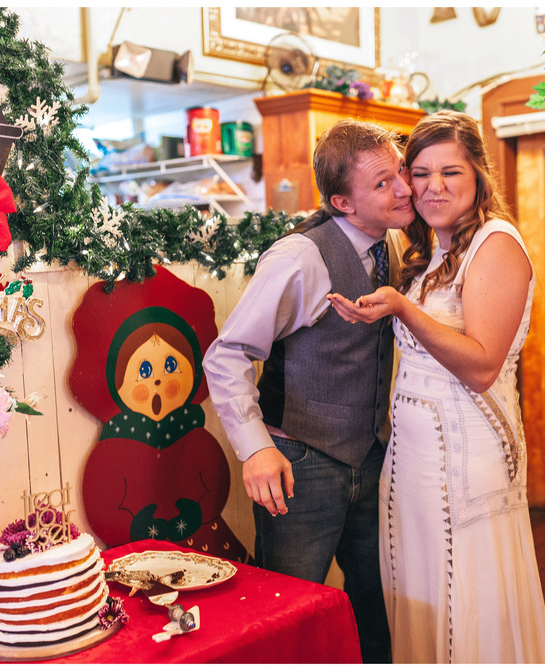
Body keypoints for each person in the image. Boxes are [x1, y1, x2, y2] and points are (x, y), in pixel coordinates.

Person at [327, 110, 545, 664]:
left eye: (450, 172)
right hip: (414, 462)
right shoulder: (430, 252)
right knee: (424, 596)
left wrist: (401, 307)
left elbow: (480, 366)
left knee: (467, 599)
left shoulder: (496, 244)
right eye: (419, 172)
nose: (431, 187)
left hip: (467, 455)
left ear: (479, 174)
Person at [204, 118, 414, 663]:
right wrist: (256, 448)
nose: (405, 189)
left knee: (375, 604)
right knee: (287, 610)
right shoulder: (298, 258)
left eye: (400, 175)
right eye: (384, 183)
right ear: (343, 202)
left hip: (372, 459)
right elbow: (227, 356)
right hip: (300, 466)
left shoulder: (393, 243)